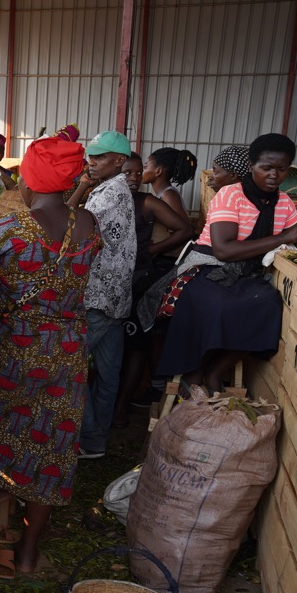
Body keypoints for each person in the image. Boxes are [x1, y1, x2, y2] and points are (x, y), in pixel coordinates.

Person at [0, 136, 99, 576]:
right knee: (53, 445)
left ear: (27, 180)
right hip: (68, 350)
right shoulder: (89, 223)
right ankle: (26, 552)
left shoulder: (11, 228)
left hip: (12, 350)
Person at [139, 133, 297, 392]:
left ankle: (215, 372)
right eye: (266, 168)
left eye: (282, 169)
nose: (274, 175)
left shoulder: (284, 203)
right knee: (217, 305)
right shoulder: (231, 195)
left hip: (247, 272)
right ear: (251, 166)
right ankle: (194, 370)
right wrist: (283, 237)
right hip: (208, 265)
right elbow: (223, 250)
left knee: (267, 305)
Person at [111, 153, 193, 429]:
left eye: (138, 172)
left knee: (135, 346)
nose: (133, 178)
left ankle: (120, 410)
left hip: (140, 281)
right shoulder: (104, 200)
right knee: (114, 346)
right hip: (109, 285)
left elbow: (185, 229)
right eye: (126, 173)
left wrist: (151, 250)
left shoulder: (147, 202)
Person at [69, 130, 136, 460]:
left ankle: (89, 437)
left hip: (97, 297)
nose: (91, 162)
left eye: (100, 157)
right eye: (91, 156)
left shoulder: (104, 197)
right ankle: (96, 443)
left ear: (119, 160)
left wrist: (80, 187)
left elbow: (66, 226)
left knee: (69, 367)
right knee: (108, 373)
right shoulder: (118, 188)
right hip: (118, 297)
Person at [143, 147, 198, 221]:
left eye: (145, 167)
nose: (141, 170)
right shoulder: (164, 194)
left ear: (158, 171)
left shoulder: (168, 196)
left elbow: (186, 228)